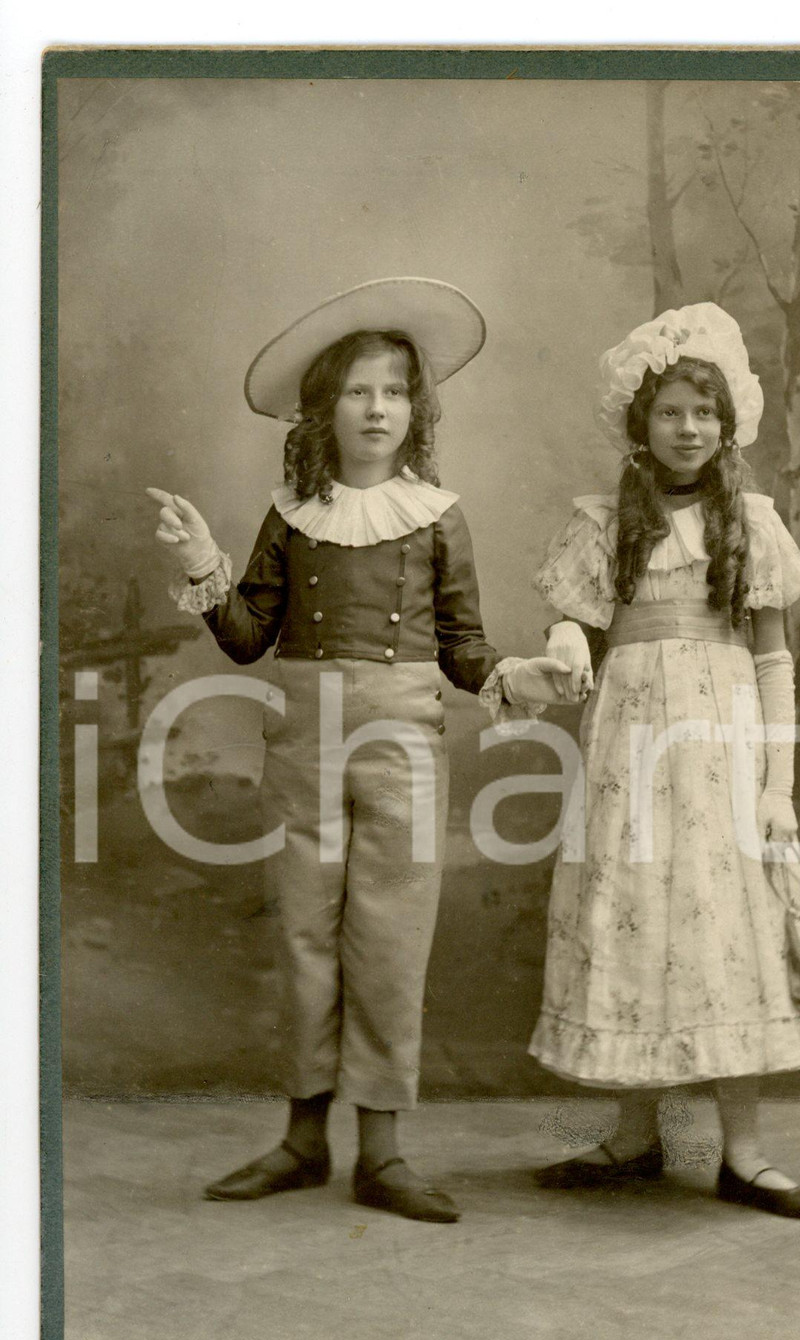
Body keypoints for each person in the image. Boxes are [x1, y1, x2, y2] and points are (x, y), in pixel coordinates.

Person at [149, 277, 570, 1223]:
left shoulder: (436, 515)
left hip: (402, 745)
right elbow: (249, 637)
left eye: (393, 391)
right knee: (304, 934)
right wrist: (202, 565)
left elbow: (462, 646)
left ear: (415, 407)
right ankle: (303, 1141)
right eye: (356, 391)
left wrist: (513, 675)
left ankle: (382, 1151)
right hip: (305, 743)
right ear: (324, 408)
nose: (377, 408)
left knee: (389, 936)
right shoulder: (291, 513)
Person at [529, 302, 800, 1220]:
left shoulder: (753, 521)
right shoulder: (602, 520)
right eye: (671, 411)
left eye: (704, 411)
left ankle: (742, 1150)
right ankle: (634, 1133)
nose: (688, 428)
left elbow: (774, 659)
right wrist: (565, 642)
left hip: (723, 752)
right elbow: (574, 625)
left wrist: (778, 787)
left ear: (728, 420)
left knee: (723, 927)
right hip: (629, 748)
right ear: (640, 421)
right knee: (634, 913)